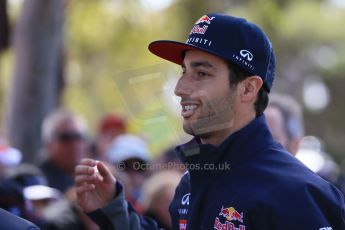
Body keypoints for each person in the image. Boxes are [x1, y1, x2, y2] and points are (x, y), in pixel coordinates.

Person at [75, 14, 345, 229]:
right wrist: (113, 209)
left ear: (248, 89)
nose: (180, 88)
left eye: (201, 73)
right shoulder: (190, 183)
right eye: (184, 71)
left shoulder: (297, 195)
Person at [39, 109, 89, 193]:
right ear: (48, 144)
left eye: (78, 136)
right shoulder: (40, 181)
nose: (74, 144)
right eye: (66, 137)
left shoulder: (94, 176)